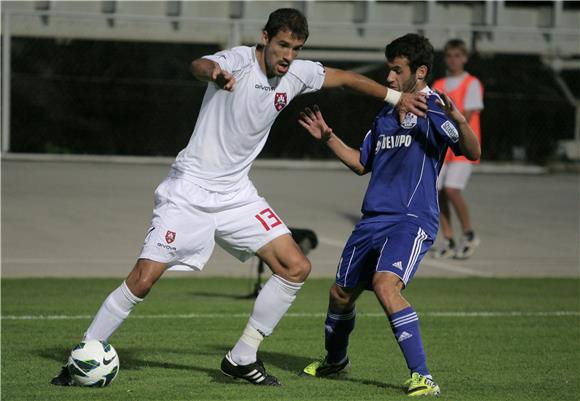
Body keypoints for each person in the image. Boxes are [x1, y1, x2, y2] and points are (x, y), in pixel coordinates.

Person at [50, 8, 428, 387]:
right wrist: (213, 73)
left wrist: (396, 98)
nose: (288, 55)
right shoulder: (237, 61)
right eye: (282, 45)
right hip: (190, 191)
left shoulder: (296, 73)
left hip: (236, 195)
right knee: (144, 279)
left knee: (295, 266)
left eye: (296, 48)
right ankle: (84, 354)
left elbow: (345, 78)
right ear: (264, 38)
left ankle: (242, 357)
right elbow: (198, 65)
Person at [297, 33, 480, 397]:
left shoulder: (432, 109)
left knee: (385, 284)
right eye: (389, 70)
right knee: (340, 294)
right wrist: (328, 136)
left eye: (397, 71)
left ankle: (423, 377)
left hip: (411, 219)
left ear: (421, 71)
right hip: (372, 220)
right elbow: (361, 163)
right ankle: (336, 361)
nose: (390, 79)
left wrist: (459, 121)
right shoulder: (384, 114)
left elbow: (471, 151)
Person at [431, 38, 484, 259]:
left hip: (462, 148)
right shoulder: (439, 85)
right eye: (449, 55)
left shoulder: (471, 83)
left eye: (457, 55)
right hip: (444, 148)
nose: (453, 60)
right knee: (438, 191)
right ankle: (449, 237)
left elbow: (467, 116)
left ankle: (469, 234)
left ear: (464, 58)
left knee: (452, 189)